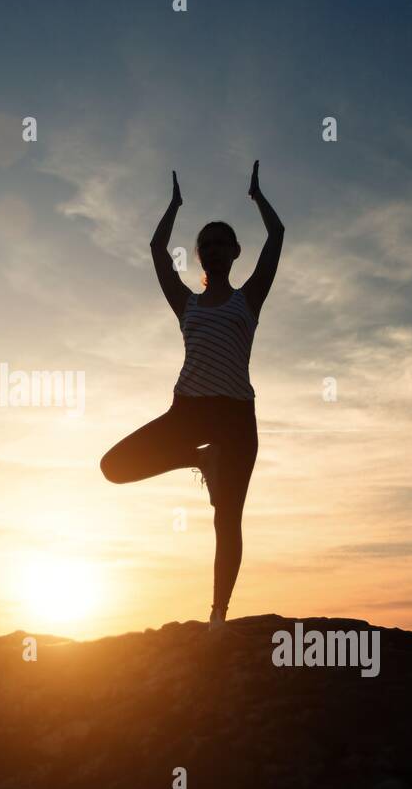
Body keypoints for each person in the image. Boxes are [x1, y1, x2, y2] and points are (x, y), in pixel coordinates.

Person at [100, 161, 284, 632]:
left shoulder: (250, 299)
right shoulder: (188, 303)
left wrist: (256, 197)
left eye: (223, 242)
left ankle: (218, 614)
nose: (215, 249)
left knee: (229, 518)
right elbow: (157, 248)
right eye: (207, 244)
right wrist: (174, 205)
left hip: (237, 418)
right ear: (200, 256)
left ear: (235, 252)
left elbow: (278, 235)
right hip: (188, 411)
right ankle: (201, 462)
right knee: (114, 467)